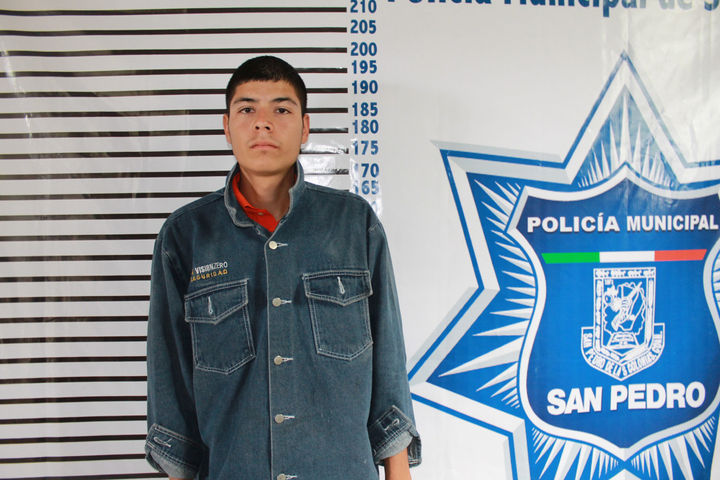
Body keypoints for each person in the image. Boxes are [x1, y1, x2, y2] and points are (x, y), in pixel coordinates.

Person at [145, 55, 421, 480]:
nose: (263, 123)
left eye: (281, 109)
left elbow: (388, 360)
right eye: (247, 109)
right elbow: (171, 383)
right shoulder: (186, 237)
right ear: (226, 126)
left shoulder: (354, 224)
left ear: (305, 127)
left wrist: (398, 473)